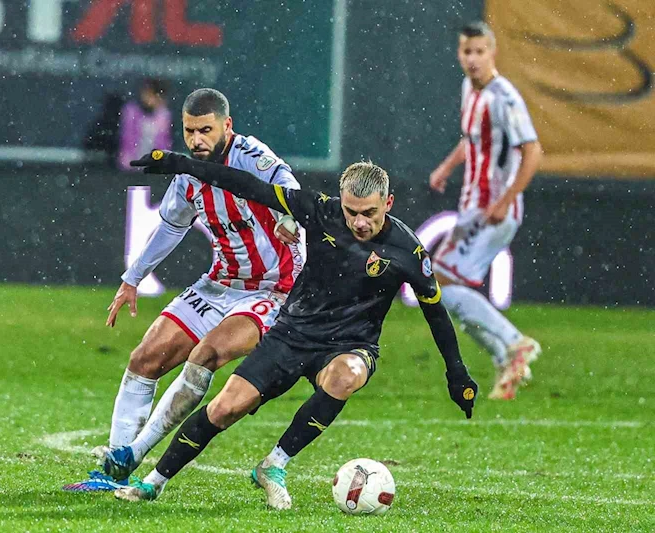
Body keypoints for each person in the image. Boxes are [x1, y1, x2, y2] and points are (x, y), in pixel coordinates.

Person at [112, 151, 479, 509]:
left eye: (369, 213)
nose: (359, 222)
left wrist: (457, 373)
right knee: (225, 408)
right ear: (340, 201)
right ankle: (152, 483)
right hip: (291, 333)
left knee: (346, 375)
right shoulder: (321, 210)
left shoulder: (409, 251)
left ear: (388, 203)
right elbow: (248, 185)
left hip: (350, 344)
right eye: (351, 211)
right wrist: (180, 164)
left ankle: (274, 464)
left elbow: (435, 313)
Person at [63, 88, 305, 492]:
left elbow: (291, 189)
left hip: (273, 289)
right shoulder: (189, 174)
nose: (196, 140)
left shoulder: (251, 156)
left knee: (206, 354)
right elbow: (171, 227)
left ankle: (134, 454)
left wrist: (289, 218)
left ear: (227, 126)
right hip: (220, 282)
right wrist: (132, 278)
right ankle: (111, 471)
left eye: (206, 130)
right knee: (144, 359)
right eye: (190, 131)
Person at [428, 22, 544, 401]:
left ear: (493, 52)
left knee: (441, 285)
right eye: (467, 52)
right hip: (473, 207)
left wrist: (506, 199)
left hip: (492, 209)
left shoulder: (505, 98)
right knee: (447, 292)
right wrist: (447, 167)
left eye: (480, 51)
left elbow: (533, 151)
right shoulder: (469, 88)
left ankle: (513, 343)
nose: (473, 59)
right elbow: (473, 139)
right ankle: (507, 359)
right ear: (459, 54)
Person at [117, 79, 173, 171]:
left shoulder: (163, 115)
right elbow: (127, 139)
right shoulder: (131, 111)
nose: (148, 98)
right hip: (130, 166)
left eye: (152, 95)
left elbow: (164, 143)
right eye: (147, 94)